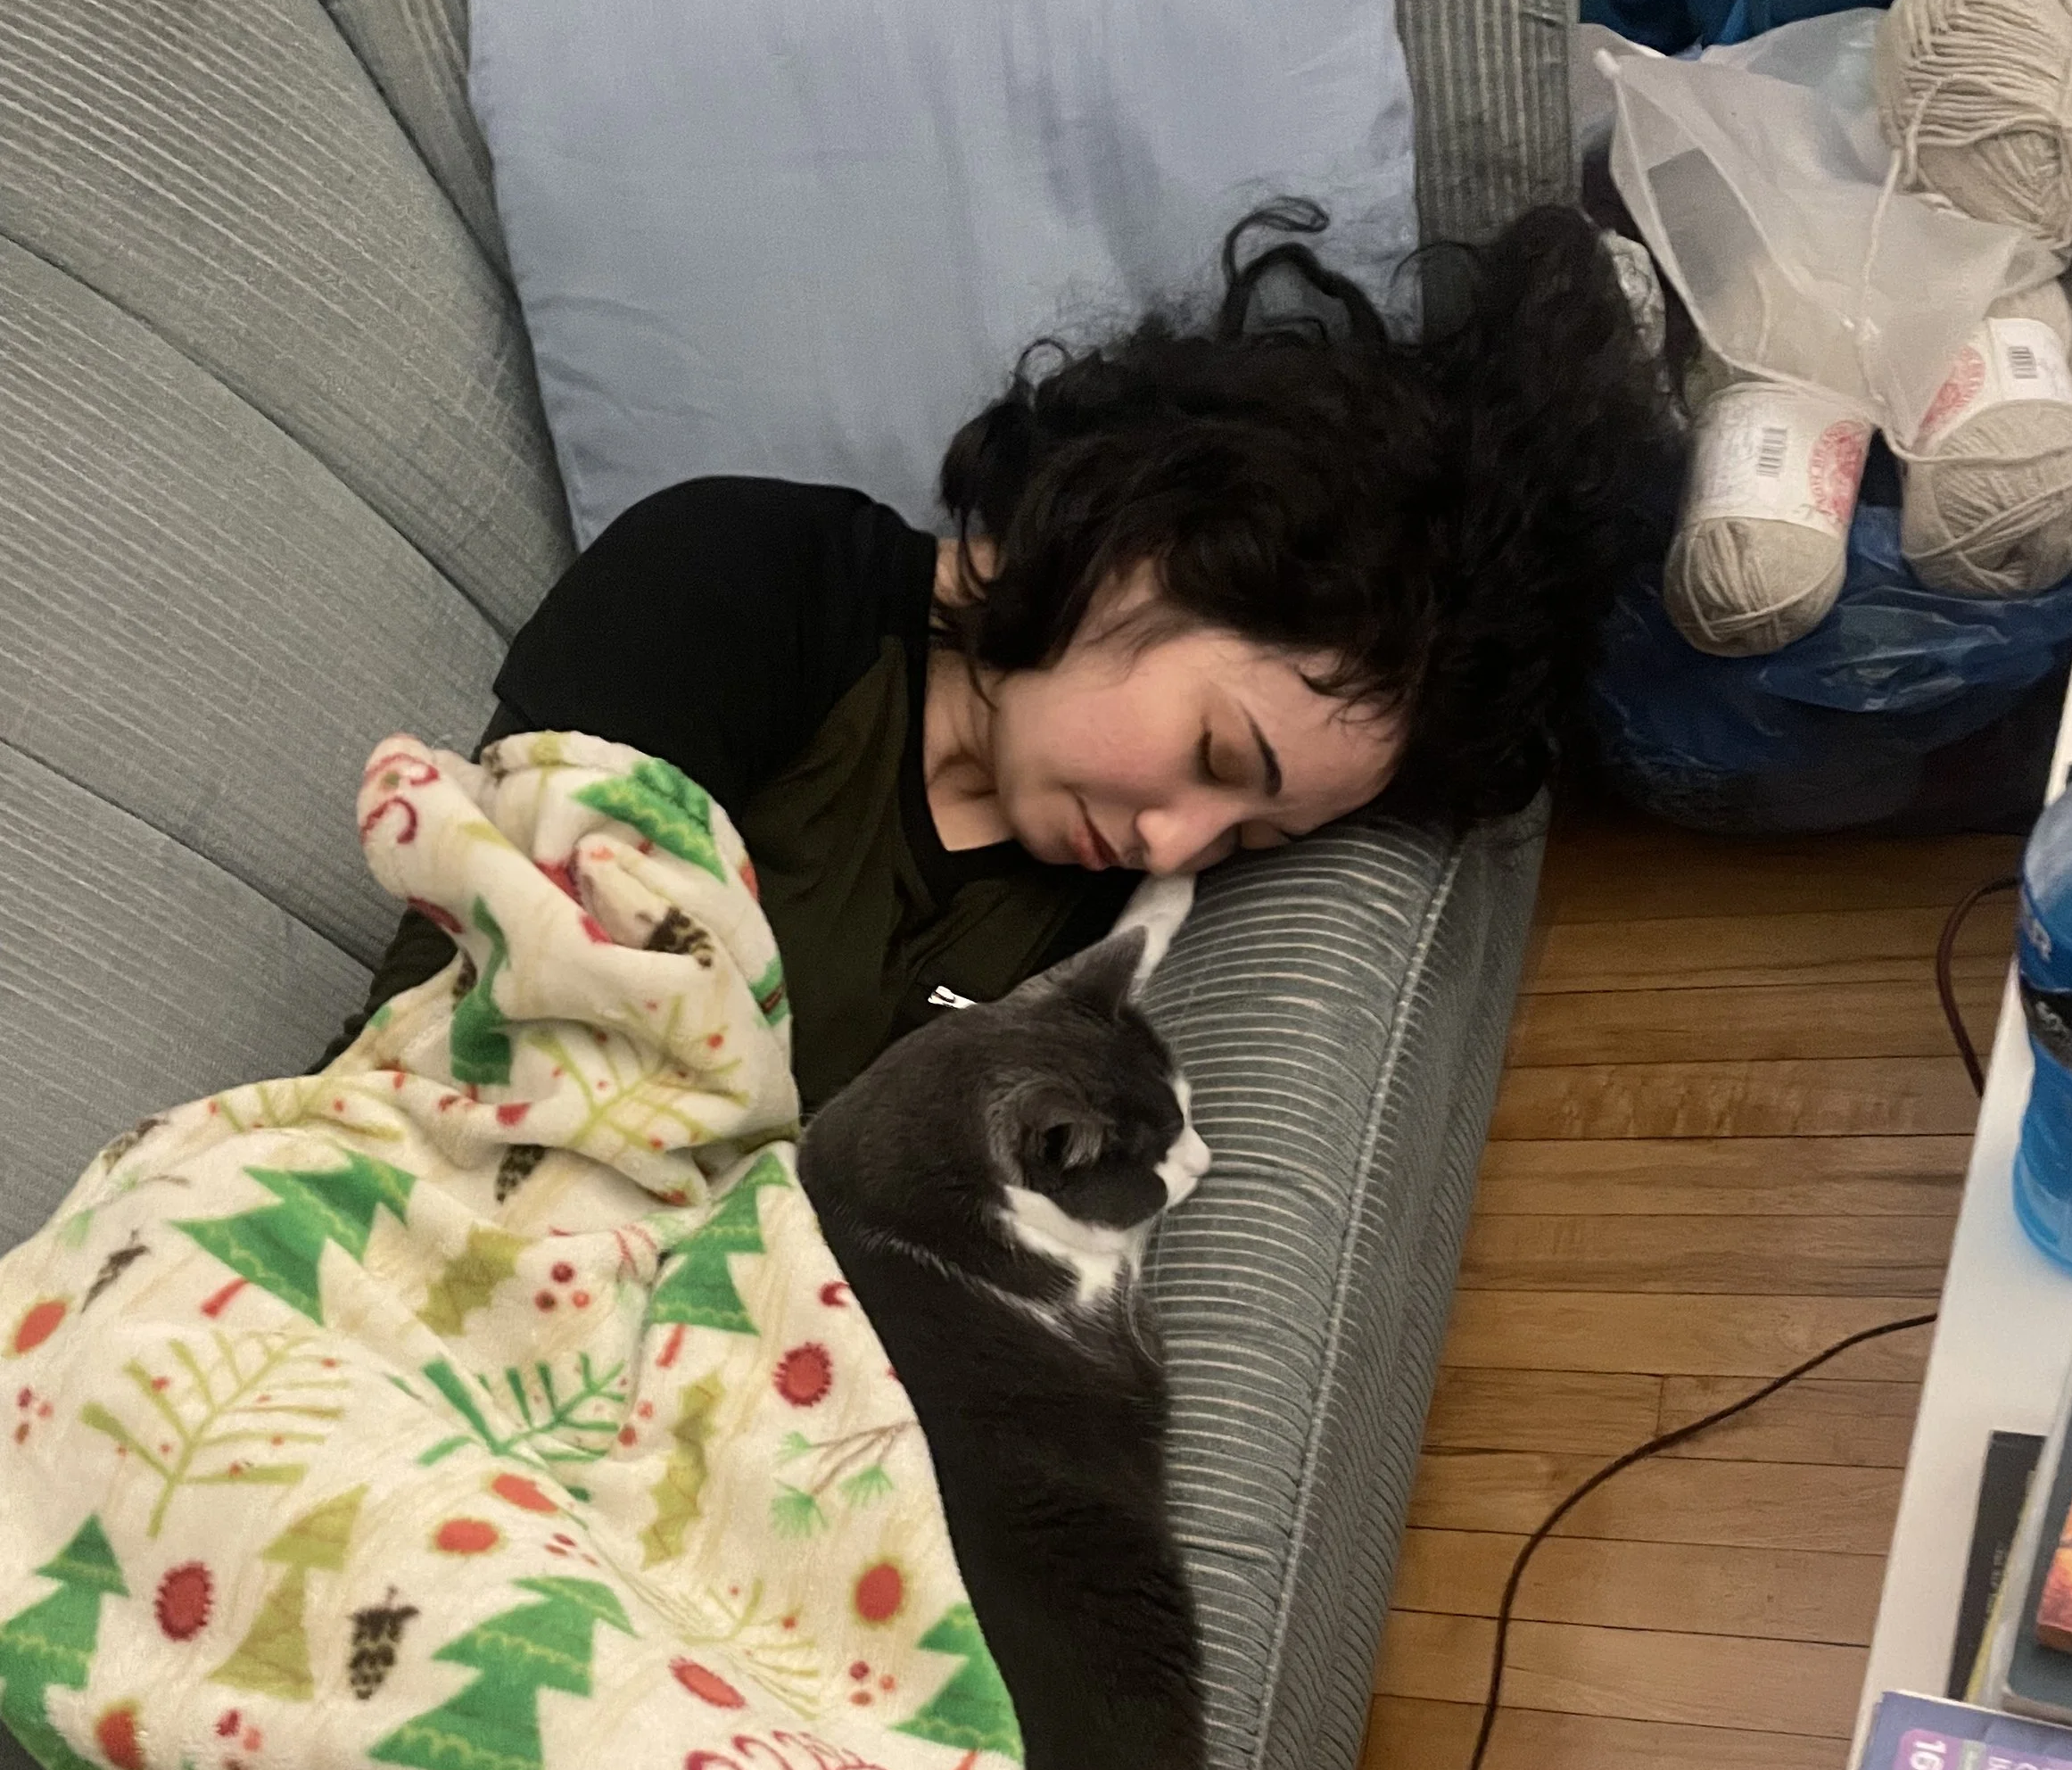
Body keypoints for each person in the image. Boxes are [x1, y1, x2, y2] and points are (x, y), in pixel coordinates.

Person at [356, 203, 1672, 1108]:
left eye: (1249, 841)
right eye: (1217, 756)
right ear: (1139, 544)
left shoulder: (1097, 924)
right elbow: (490, 999)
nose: (1174, 848)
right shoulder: (737, 582)